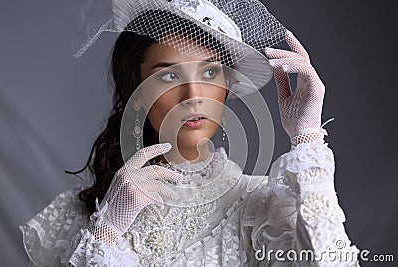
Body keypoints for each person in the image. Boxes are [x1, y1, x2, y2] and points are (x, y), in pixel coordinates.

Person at [20, 0, 360, 266]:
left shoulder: (255, 205)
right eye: (168, 75)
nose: (193, 95)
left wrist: (307, 138)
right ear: (134, 87)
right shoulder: (74, 216)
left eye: (211, 72)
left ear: (228, 86)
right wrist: (106, 231)